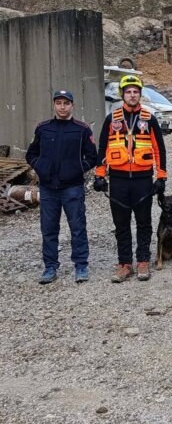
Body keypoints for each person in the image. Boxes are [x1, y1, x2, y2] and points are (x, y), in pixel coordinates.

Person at [94, 74, 168, 283]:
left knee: (144, 222)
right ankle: (124, 264)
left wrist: (161, 177)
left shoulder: (149, 119)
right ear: (122, 95)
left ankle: (143, 260)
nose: (132, 95)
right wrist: (100, 175)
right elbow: (103, 148)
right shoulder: (112, 119)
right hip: (118, 180)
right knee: (121, 224)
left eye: (136, 92)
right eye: (128, 92)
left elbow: (159, 149)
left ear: (140, 94)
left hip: (142, 179)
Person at [25, 90, 98, 284]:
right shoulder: (43, 128)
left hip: (72, 187)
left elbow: (92, 157)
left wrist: (76, 170)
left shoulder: (82, 130)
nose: (62, 107)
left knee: (77, 227)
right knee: (48, 229)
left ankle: (81, 266)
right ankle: (50, 267)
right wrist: (41, 167)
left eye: (66, 103)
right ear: (54, 105)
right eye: (59, 103)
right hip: (48, 188)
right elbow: (31, 154)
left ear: (72, 105)